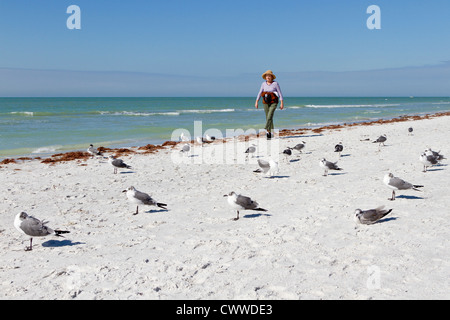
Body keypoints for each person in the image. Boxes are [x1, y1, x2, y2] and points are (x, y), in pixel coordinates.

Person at [255, 70, 284, 139]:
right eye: (266, 76)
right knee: (268, 117)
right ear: (265, 77)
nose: (268, 77)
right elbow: (260, 93)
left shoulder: (275, 84)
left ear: (272, 77)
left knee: (270, 115)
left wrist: (282, 103)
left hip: (274, 102)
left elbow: (280, 93)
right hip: (265, 102)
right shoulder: (263, 84)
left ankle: (266, 127)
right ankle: (269, 133)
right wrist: (256, 101)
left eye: (269, 76)